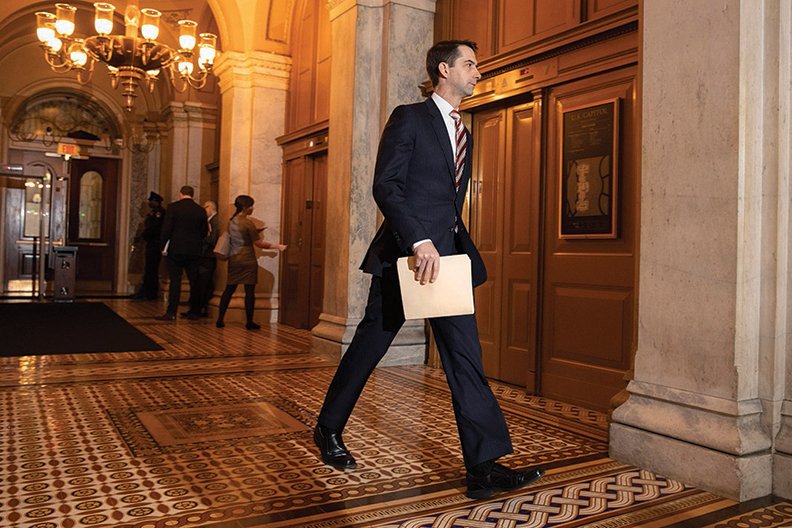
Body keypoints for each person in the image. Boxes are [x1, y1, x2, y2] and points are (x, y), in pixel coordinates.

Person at [314, 40, 543, 500]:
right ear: (444, 69)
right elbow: (387, 185)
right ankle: (328, 428)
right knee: (369, 347)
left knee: (465, 358)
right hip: (407, 257)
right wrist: (418, 241)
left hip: (448, 262)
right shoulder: (410, 118)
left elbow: (449, 204)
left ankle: (483, 466)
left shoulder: (465, 131)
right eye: (470, 64)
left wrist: (444, 245)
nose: (478, 72)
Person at [215, 195, 286, 330]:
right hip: (247, 259)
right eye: (251, 206)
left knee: (229, 290)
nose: (253, 208)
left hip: (234, 259)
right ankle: (249, 322)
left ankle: (220, 319)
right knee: (249, 292)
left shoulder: (231, 221)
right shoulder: (248, 223)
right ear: (245, 208)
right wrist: (278, 246)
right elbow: (258, 243)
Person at [157, 185, 208, 321]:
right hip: (194, 250)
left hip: (176, 249)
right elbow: (204, 232)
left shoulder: (173, 207)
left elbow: (166, 229)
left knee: (175, 281)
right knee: (194, 281)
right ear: (193, 195)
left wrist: (162, 246)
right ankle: (194, 311)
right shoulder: (200, 210)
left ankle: (171, 312)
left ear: (181, 194)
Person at [189, 200, 219, 318]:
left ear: (211, 207)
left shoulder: (215, 220)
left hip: (208, 256)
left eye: (205, 207)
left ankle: (198, 310)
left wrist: (198, 238)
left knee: (203, 283)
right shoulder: (208, 221)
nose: (204, 210)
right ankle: (195, 309)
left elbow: (212, 239)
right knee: (201, 283)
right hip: (203, 255)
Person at [133, 191, 165, 300]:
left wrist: (145, 235)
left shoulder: (159, 213)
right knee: (149, 269)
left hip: (155, 244)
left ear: (155, 201)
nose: (149, 203)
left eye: (150, 201)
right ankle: (147, 291)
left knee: (152, 269)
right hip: (151, 244)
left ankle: (151, 293)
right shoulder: (153, 213)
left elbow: (154, 229)